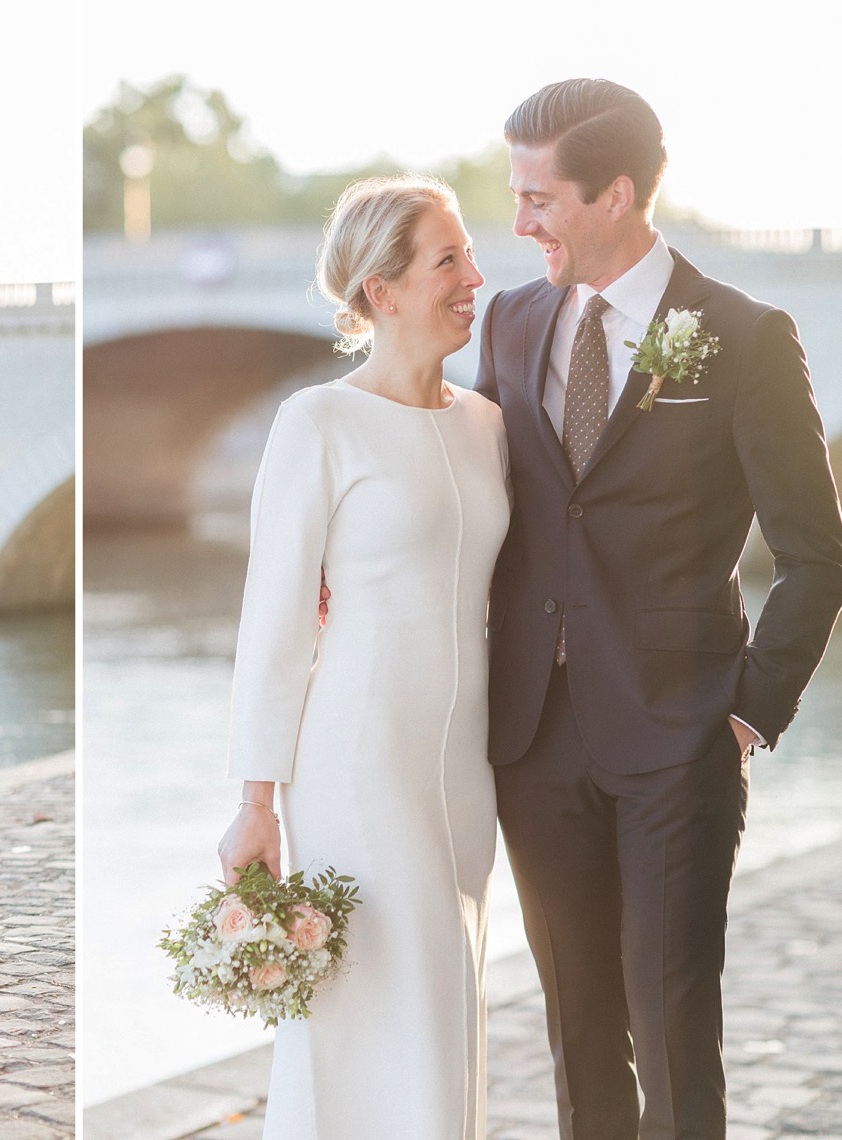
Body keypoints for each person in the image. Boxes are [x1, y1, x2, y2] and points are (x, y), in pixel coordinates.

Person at [477, 78, 842, 1137]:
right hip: (532, 741)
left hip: (677, 739)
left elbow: (815, 554)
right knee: (576, 1027)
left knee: (672, 1021)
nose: (518, 222)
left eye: (538, 199)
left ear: (616, 195)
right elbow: (476, 501)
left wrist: (742, 713)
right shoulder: (506, 323)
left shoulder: (742, 334)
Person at [217, 175, 508, 1137]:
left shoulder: (487, 424)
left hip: (467, 767)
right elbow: (275, 620)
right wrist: (257, 802)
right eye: (448, 259)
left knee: (445, 995)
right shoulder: (318, 422)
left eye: (468, 253)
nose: (474, 275)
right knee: (380, 995)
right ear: (382, 292)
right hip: (359, 759)